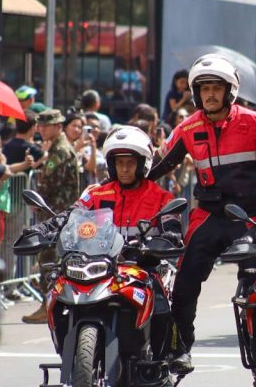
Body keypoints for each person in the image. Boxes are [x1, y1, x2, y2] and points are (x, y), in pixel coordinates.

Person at [147, 54, 256, 373]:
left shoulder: (253, 122)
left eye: (217, 88)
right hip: (209, 215)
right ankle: (180, 348)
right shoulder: (188, 127)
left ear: (231, 91)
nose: (210, 94)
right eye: (204, 88)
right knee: (183, 282)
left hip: (252, 218)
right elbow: (156, 167)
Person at [24, 126, 183, 363]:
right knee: (58, 291)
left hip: (140, 265)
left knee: (161, 297)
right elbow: (69, 216)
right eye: (119, 163)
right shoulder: (96, 194)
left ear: (143, 164)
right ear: (111, 165)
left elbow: (172, 226)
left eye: (130, 162)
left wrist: (168, 237)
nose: (125, 168)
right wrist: (42, 229)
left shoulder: (161, 197)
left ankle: (171, 354)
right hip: (97, 264)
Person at [22, 109, 81, 323]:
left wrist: (38, 201)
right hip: (57, 213)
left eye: (46, 126)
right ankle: (50, 305)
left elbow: (48, 184)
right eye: (40, 125)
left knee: (48, 260)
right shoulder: (58, 149)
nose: (41, 129)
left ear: (57, 126)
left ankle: (48, 306)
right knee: (51, 259)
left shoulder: (61, 151)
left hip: (56, 215)